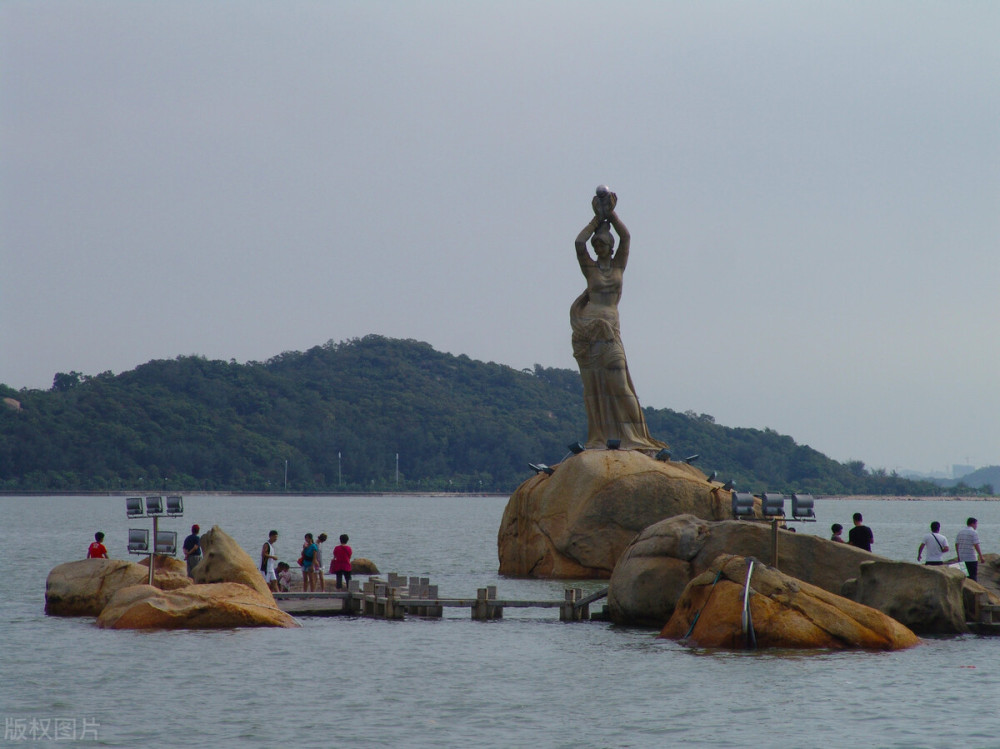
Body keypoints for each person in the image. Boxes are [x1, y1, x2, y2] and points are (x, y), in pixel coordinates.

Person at [571, 188, 667, 451]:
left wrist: (610, 214)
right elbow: (579, 243)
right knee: (593, 390)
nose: (598, 246)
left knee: (620, 383)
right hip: (587, 333)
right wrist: (595, 220)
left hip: (610, 332)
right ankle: (601, 437)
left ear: (610, 247)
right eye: (596, 244)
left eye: (602, 244)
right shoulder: (590, 268)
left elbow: (626, 236)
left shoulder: (618, 265)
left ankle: (637, 437)